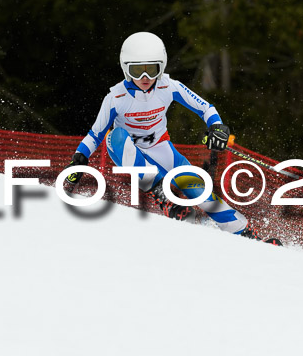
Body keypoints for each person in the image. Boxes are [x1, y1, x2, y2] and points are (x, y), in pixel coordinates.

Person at [66, 31, 261, 239]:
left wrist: (217, 127)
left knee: (199, 191)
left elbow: (205, 108)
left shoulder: (168, 86)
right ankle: (162, 196)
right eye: (137, 70)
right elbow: (96, 134)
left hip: (163, 150)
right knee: (115, 137)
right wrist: (80, 157)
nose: (145, 78)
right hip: (129, 152)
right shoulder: (116, 97)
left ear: (161, 66)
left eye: (151, 70)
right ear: (125, 69)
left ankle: (247, 233)